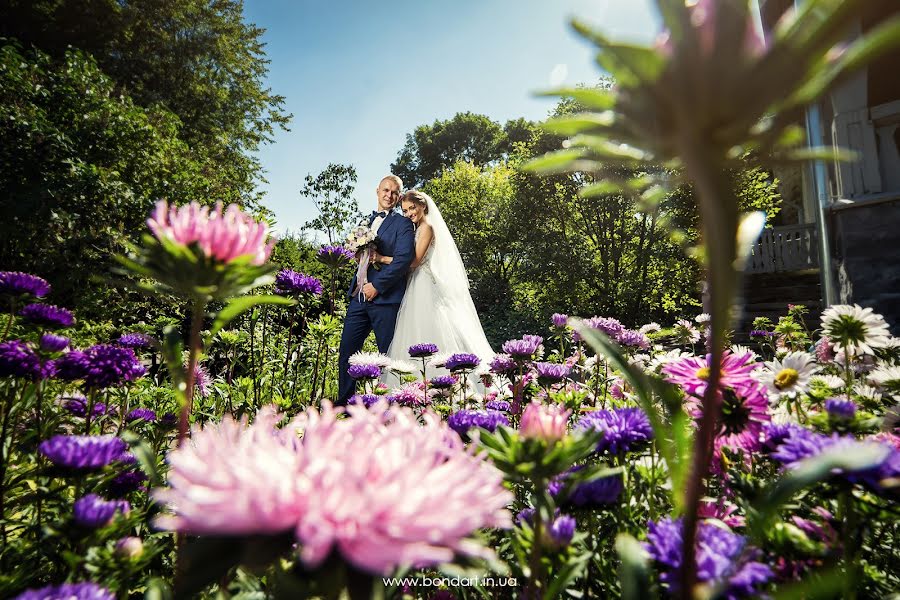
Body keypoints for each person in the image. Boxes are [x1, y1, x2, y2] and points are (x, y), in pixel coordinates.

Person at [373, 190, 494, 378]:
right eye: (405, 211)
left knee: (429, 326)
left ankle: (440, 378)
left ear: (423, 206)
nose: (409, 213)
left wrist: (382, 258)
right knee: (413, 330)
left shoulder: (427, 227)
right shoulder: (416, 228)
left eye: (412, 208)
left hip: (424, 283)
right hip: (414, 283)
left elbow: (414, 261)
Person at [337, 175, 415, 404]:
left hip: (386, 299)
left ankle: (392, 406)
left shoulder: (403, 224)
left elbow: (403, 260)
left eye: (394, 192)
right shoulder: (366, 222)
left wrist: (378, 286)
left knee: (388, 358)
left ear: (399, 197)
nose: (389, 195)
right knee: (347, 354)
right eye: (385, 190)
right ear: (377, 191)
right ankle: (344, 405)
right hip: (358, 298)